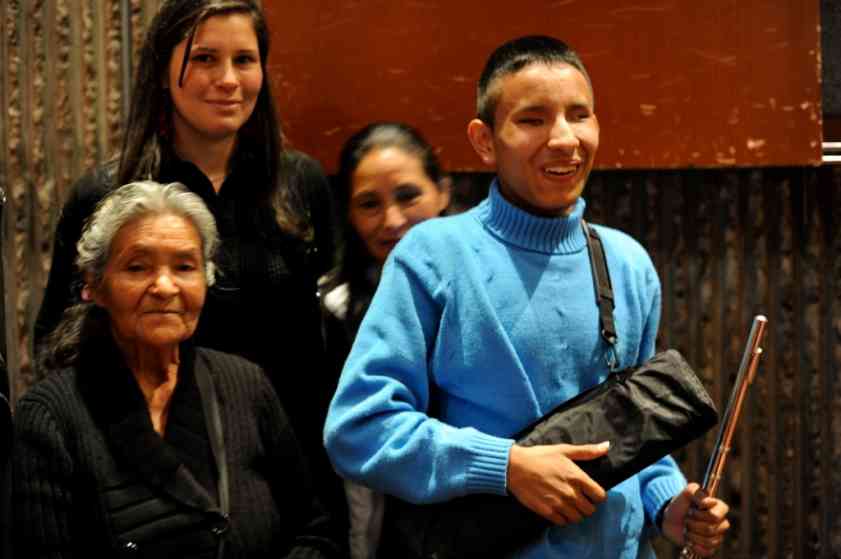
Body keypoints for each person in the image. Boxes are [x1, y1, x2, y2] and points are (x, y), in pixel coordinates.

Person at [324, 36, 730, 558]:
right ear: (485, 140)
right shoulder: (432, 256)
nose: (564, 139)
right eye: (533, 119)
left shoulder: (627, 262)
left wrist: (668, 504)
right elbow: (360, 428)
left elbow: (633, 427)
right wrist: (506, 467)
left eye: (579, 115)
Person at [33, 0, 339, 528]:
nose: (228, 80)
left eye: (245, 60)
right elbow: (58, 347)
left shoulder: (301, 186)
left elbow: (326, 346)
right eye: (203, 59)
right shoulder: (107, 195)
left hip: (289, 468)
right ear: (162, 70)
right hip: (147, 476)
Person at [14, 181, 340, 557]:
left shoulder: (246, 386)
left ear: (207, 278)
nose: (165, 286)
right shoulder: (51, 417)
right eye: (138, 267)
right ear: (95, 285)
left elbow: (318, 530)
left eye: (185, 266)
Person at [321, 122, 451, 558]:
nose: (392, 221)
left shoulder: (488, 292)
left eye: (408, 196)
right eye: (369, 204)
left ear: (443, 193)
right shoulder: (333, 310)